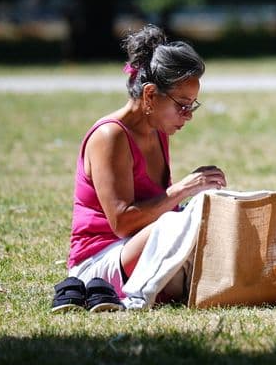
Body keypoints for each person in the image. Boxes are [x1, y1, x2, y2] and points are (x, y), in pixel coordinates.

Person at [53, 25, 227, 312]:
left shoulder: (157, 130)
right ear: (150, 95)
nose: (188, 116)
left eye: (192, 106)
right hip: (100, 265)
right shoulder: (110, 136)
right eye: (182, 105)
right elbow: (122, 223)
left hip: (143, 248)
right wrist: (182, 190)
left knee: (215, 209)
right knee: (179, 223)